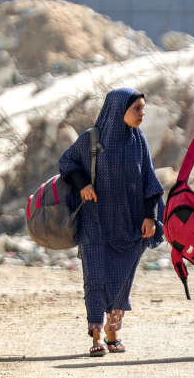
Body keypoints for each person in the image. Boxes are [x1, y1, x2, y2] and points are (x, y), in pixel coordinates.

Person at [59, 88, 164, 357]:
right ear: (119, 110)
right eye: (137, 109)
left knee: (121, 281)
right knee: (95, 278)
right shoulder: (92, 140)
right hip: (95, 224)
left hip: (130, 227)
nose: (142, 114)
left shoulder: (139, 141)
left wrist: (151, 217)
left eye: (143, 108)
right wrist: (82, 184)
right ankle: (96, 335)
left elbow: (150, 184)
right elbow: (68, 162)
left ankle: (113, 333)